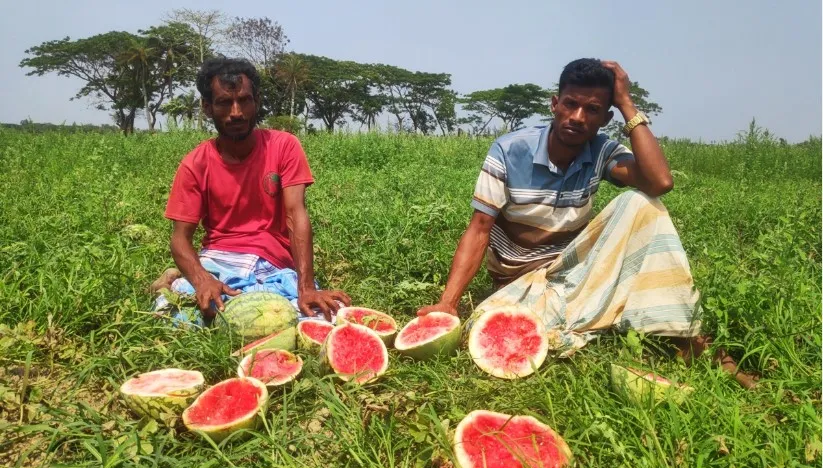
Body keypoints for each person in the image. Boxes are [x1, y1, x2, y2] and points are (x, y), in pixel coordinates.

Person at [418, 58, 756, 388]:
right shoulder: (509, 151)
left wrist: (626, 103)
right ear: (555, 104)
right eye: (571, 104)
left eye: (592, 110)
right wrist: (448, 303)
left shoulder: (600, 150)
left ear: (605, 117)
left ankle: (685, 336)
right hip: (518, 279)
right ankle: (618, 316)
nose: (578, 118)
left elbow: (660, 182)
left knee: (642, 203)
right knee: (485, 323)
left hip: (571, 272)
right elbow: (479, 229)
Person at [152, 57, 350, 325]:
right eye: (224, 102)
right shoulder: (194, 164)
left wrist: (306, 287)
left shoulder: (284, 146)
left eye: (244, 100)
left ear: (256, 101)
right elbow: (180, 239)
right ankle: (177, 279)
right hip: (220, 262)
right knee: (178, 317)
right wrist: (202, 279)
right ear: (208, 107)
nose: (236, 112)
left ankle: (178, 279)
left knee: (324, 321)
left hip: (277, 266)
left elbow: (296, 214)